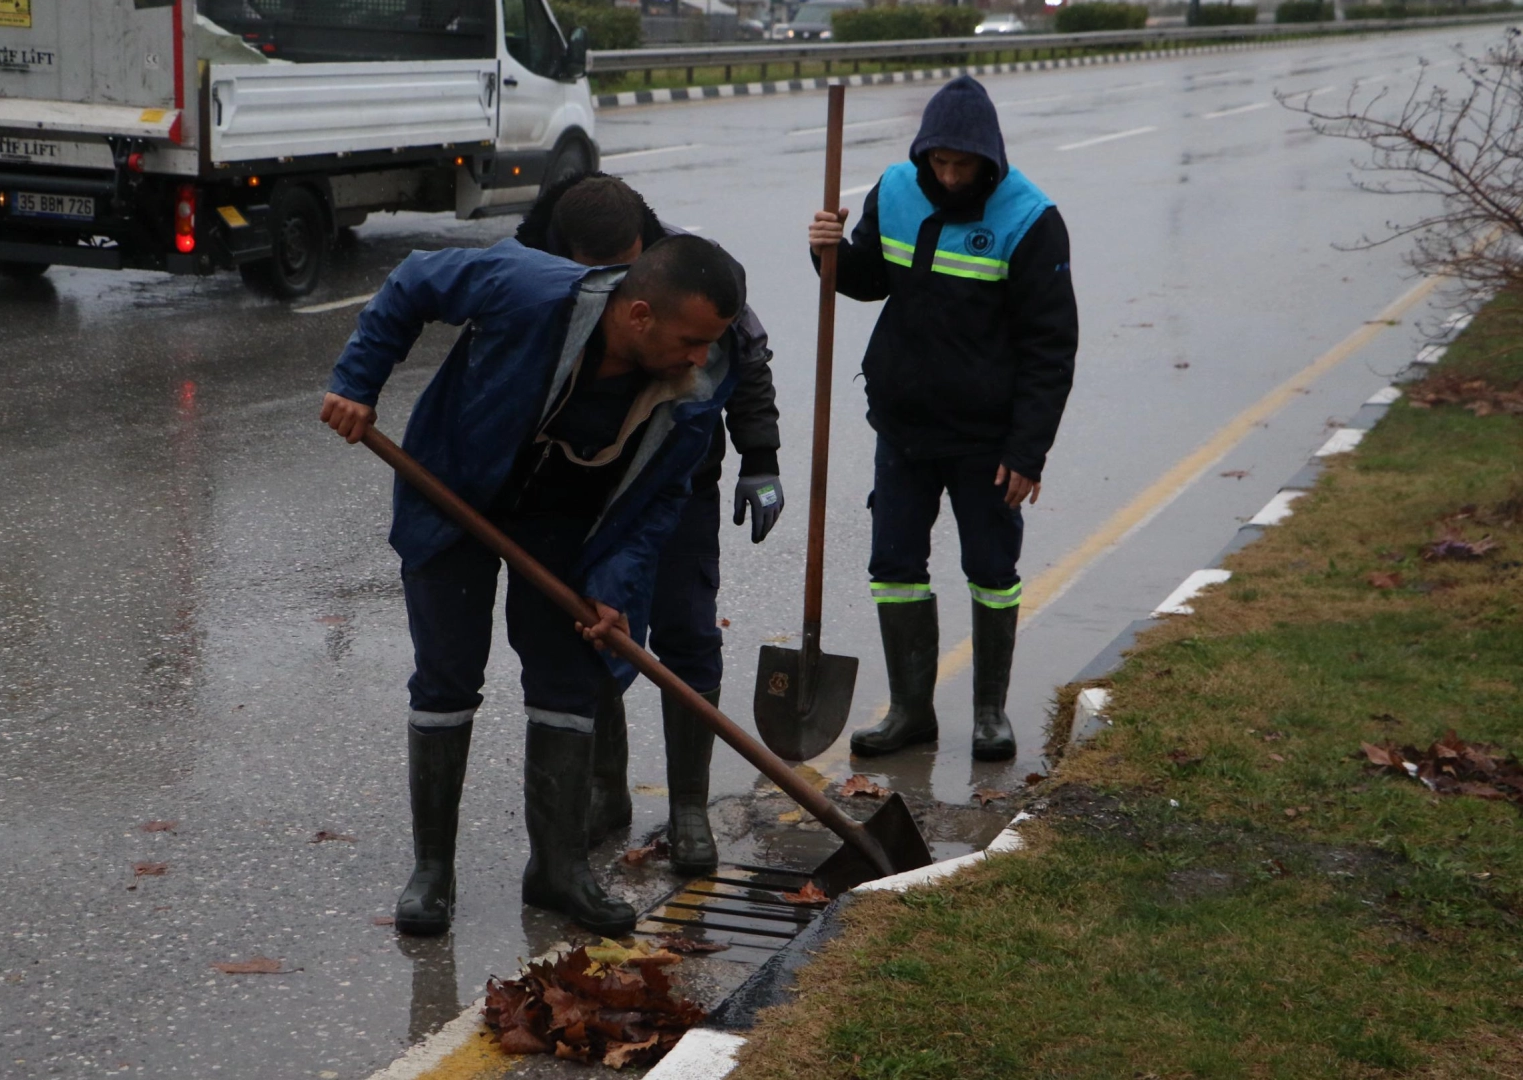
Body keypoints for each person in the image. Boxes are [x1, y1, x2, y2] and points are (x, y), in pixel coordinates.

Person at [320, 234, 746, 936]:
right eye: (690, 340)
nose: (701, 357)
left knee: (567, 682)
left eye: (710, 342)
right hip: (453, 494)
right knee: (447, 678)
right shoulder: (526, 289)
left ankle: (557, 869)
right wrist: (356, 383)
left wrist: (614, 584)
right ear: (639, 315)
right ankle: (432, 873)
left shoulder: (695, 383)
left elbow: (660, 498)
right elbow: (415, 280)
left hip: (568, 527)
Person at [515, 174, 783, 875]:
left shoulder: (689, 267)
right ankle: (605, 791)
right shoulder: (535, 269)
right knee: (596, 629)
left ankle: (689, 806)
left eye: (626, 263)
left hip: (677, 479)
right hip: (583, 489)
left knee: (687, 630)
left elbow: (746, 358)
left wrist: (760, 457)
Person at [806, 75, 1077, 762]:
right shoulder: (896, 188)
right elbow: (869, 281)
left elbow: (1050, 347)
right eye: (939, 162)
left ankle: (989, 712)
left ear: (989, 160)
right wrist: (828, 251)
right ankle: (910, 711)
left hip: (987, 438)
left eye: (963, 166)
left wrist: (1027, 452)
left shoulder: (1030, 219)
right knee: (894, 565)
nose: (950, 177)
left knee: (991, 569)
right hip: (903, 427)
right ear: (923, 152)